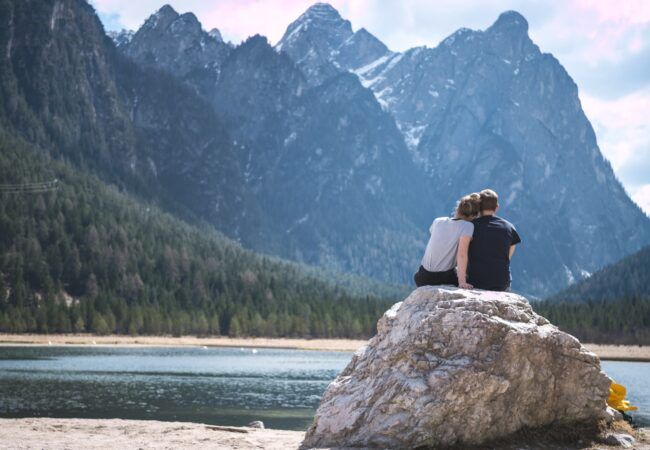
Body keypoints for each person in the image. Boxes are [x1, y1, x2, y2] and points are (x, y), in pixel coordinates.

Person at [414, 194, 480, 289]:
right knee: (473, 277)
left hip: (422, 276)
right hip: (442, 277)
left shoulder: (438, 221)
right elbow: (462, 254)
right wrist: (462, 282)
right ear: (474, 216)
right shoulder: (467, 226)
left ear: (457, 209)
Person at [467, 189, 521, 291]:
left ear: (478, 207)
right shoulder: (509, 227)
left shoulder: (470, 226)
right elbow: (507, 257)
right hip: (501, 282)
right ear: (496, 207)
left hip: (475, 281)